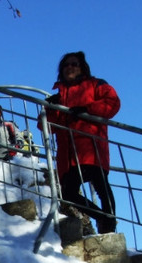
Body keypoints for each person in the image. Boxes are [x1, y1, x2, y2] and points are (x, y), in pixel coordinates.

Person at [44, 51, 121, 233]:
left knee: (101, 186)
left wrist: (88, 109)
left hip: (91, 146)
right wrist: (51, 109)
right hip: (68, 153)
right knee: (68, 193)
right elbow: (47, 126)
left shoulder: (96, 85)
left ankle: (108, 226)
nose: (70, 67)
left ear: (82, 68)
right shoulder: (59, 95)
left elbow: (113, 103)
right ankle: (105, 218)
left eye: (74, 64)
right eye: (66, 65)